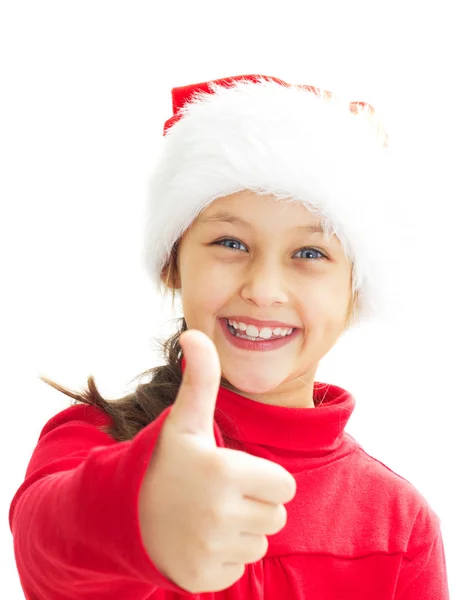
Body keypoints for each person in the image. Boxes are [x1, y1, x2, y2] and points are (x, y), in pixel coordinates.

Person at [9, 74, 450, 599]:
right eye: (230, 242)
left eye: (310, 254)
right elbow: (45, 547)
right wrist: (137, 515)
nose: (263, 290)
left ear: (356, 293)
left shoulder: (399, 524)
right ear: (173, 263)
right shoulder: (90, 441)